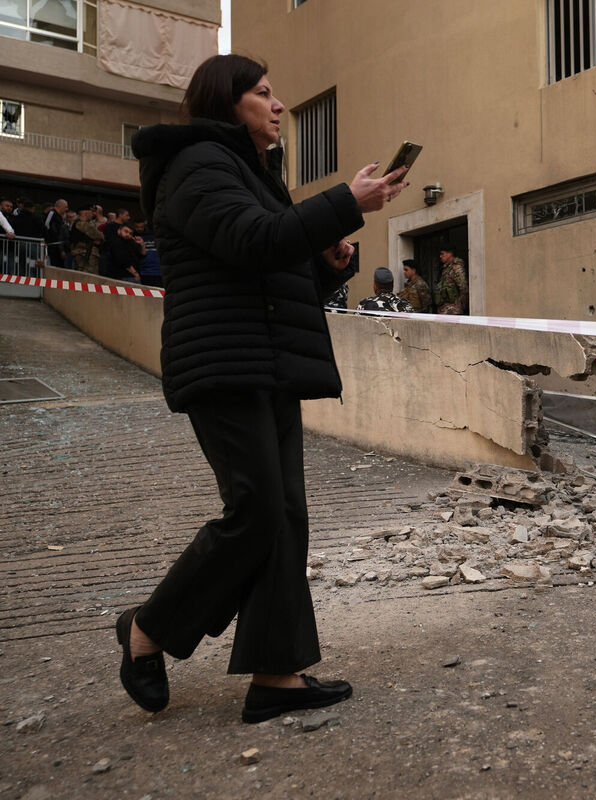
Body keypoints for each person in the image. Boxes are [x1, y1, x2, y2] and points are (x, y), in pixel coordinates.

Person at [125, 53, 409, 724]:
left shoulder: (251, 172)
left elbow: (272, 271)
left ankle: (276, 674)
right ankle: (147, 629)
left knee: (282, 516)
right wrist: (344, 203)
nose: (278, 105)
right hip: (221, 363)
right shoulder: (197, 164)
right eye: (263, 93)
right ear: (227, 102)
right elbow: (252, 242)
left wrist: (326, 263)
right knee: (255, 510)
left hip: (268, 362)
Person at [70, 208, 105, 274]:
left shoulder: (87, 224)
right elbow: (98, 235)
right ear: (86, 213)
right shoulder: (80, 223)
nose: (93, 214)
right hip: (84, 256)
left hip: (87, 255)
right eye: (92, 212)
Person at [434, 245, 467, 314]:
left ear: (450, 254)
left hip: (453, 310)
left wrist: (461, 305)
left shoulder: (456, 268)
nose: (440, 256)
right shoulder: (446, 268)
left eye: (442, 254)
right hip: (445, 309)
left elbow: (463, 287)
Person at [133, 220, 162, 287]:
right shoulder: (133, 237)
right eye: (137, 227)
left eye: (141, 227)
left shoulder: (154, 236)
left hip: (158, 270)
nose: (139, 229)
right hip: (144, 271)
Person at [43, 199, 70, 267]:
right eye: (65, 207)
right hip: (53, 246)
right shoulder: (51, 213)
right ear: (60, 206)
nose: (67, 209)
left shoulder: (59, 217)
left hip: (58, 247)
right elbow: (46, 226)